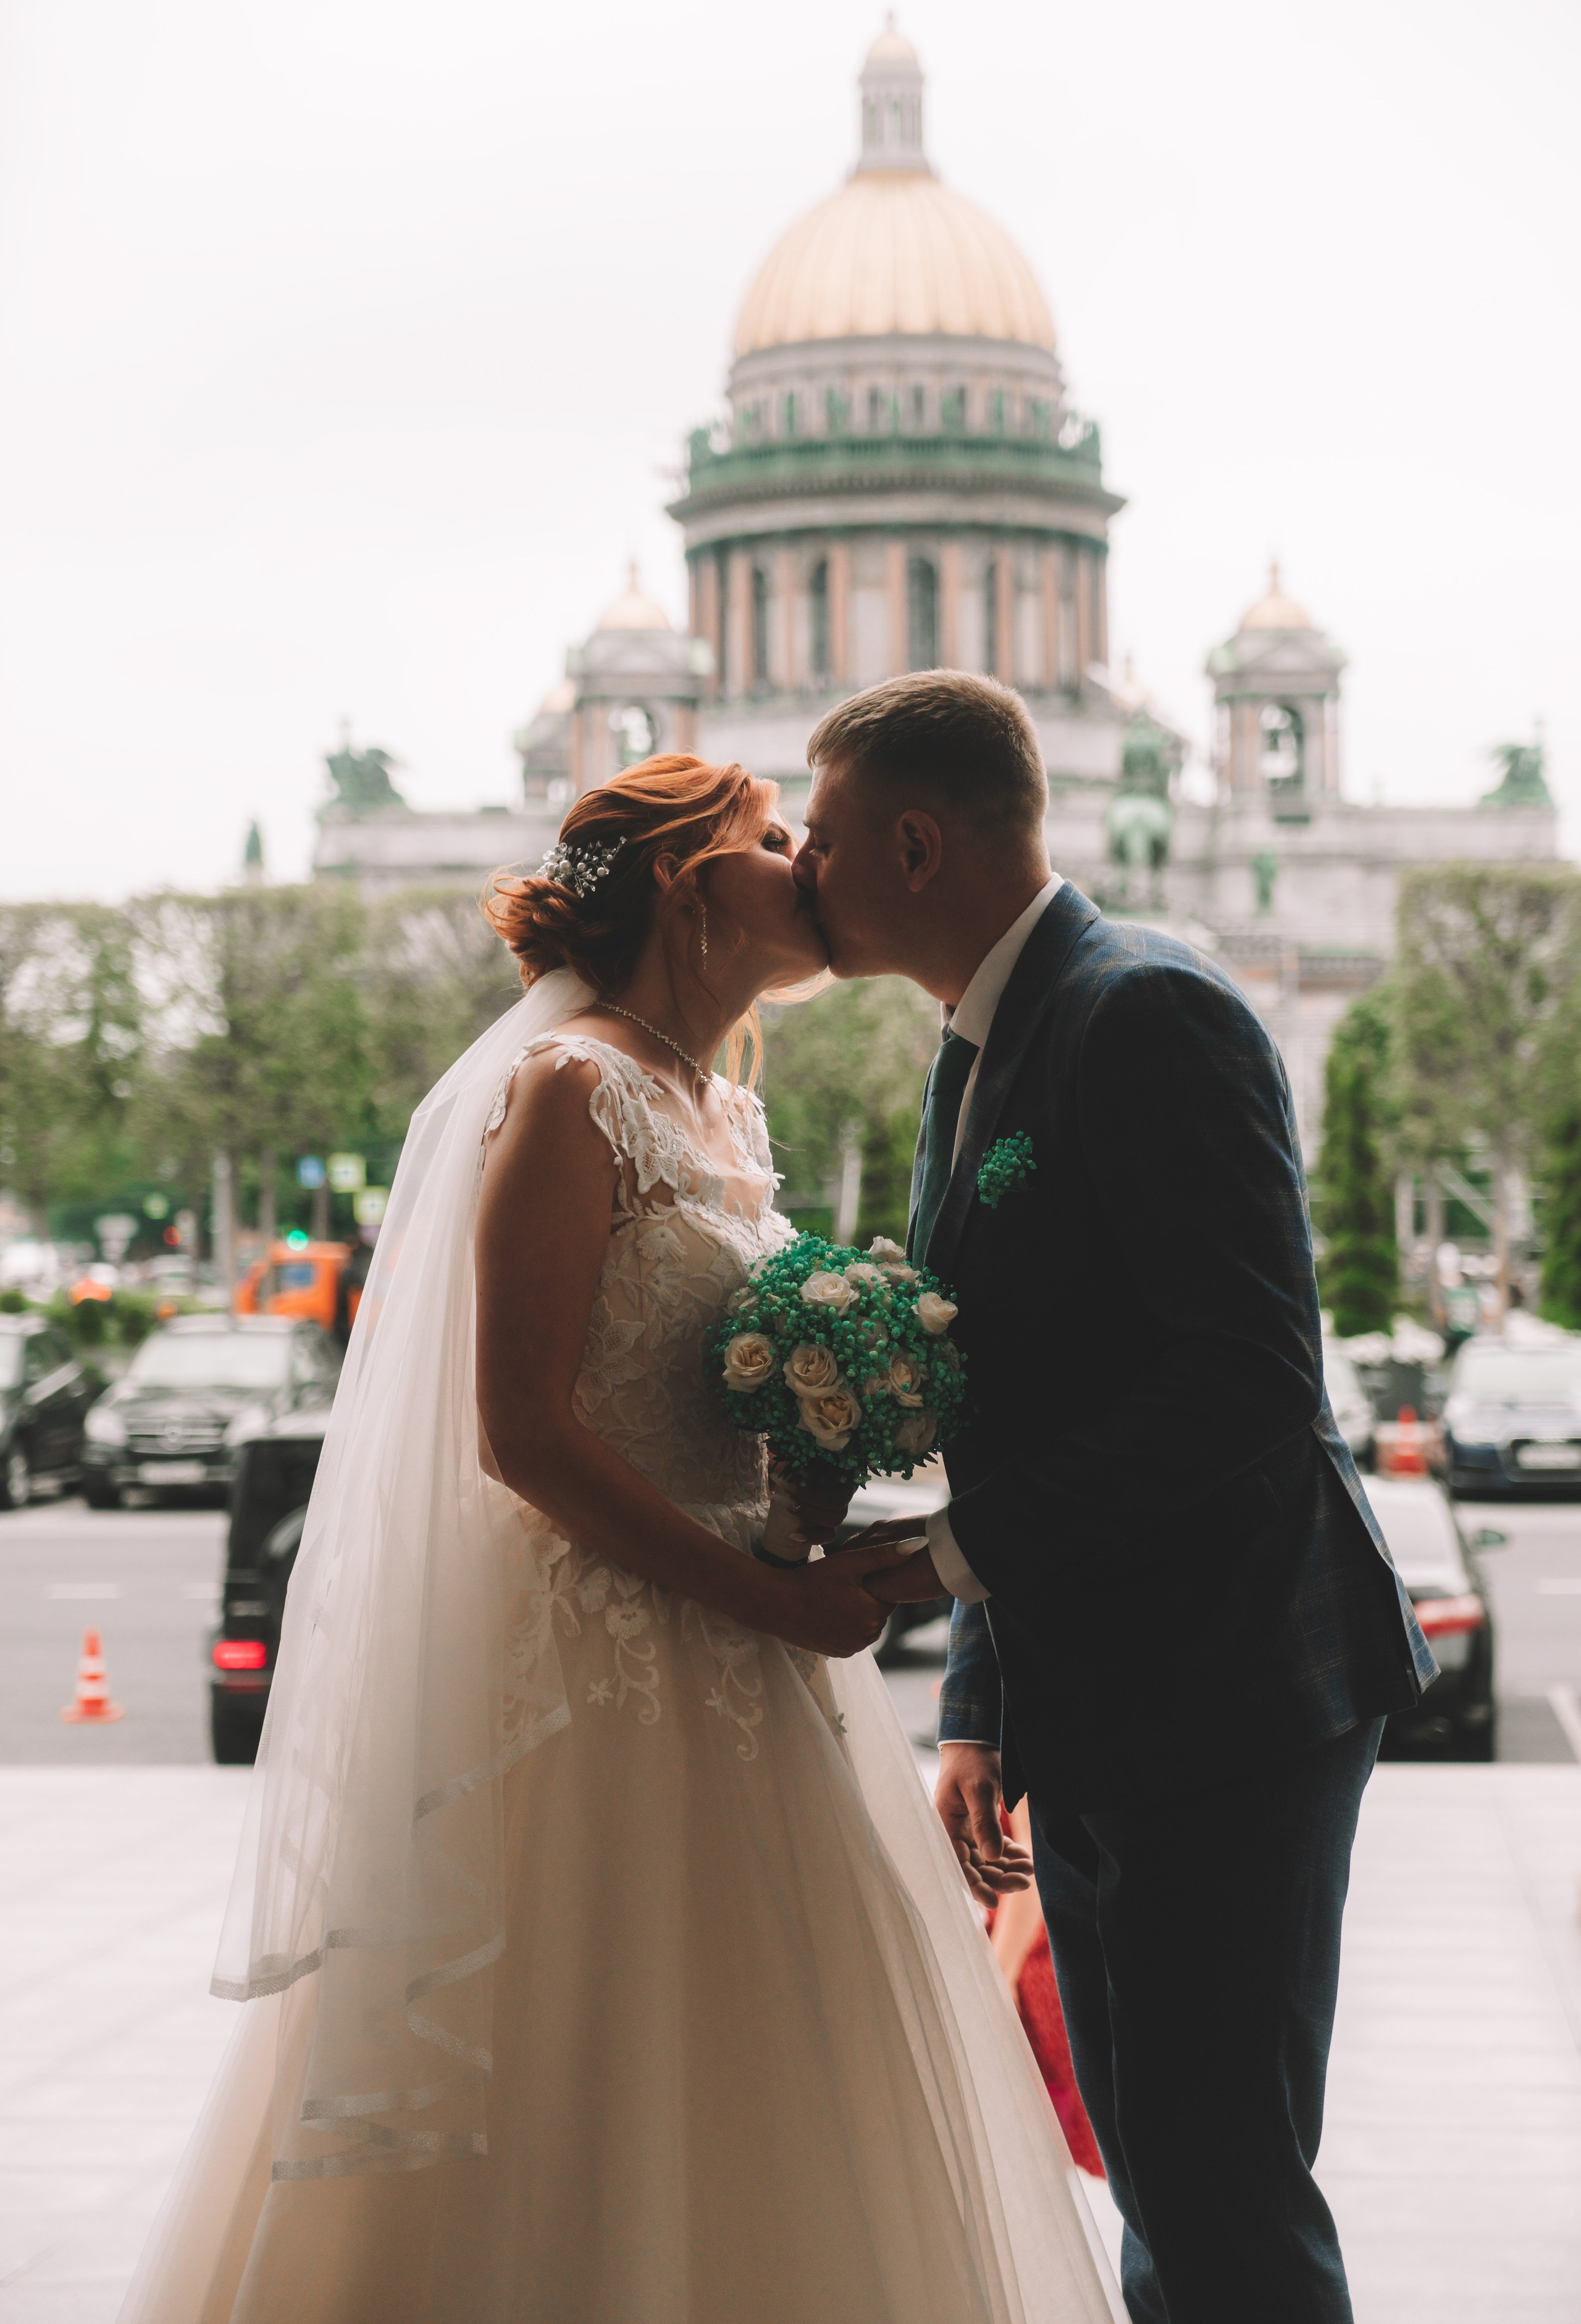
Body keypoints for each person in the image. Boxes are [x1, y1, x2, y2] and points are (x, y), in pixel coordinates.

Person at [116, 754, 1115, 2324]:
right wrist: (760, 1593)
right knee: (579, 2055)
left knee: (775, 2069)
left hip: (759, 1643)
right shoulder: (568, 1088)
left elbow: (717, 1398)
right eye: (771, 838)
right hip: (594, 1660)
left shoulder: (722, 1104)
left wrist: (815, 1477)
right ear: (685, 882)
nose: (807, 861)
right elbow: (518, 1433)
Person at [792, 673, 1438, 2324]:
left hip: (1228, 1691)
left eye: (827, 834)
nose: (803, 867)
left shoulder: (1143, 1007)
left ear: (917, 843)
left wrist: (947, 1559)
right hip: (1124, 1690)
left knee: (1216, 2178)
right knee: (1166, 2162)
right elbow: (1020, 1391)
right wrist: (985, 1702)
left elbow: (1245, 1382)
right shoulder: (998, 1037)